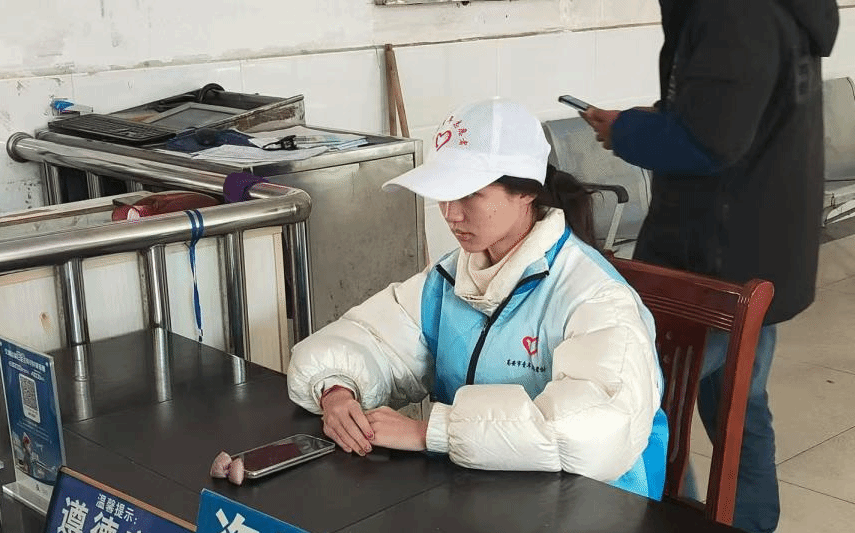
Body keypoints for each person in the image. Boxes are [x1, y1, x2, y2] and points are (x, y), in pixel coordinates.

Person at [273, 98, 669, 499]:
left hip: (595, 513)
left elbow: (594, 431)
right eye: (444, 194)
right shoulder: (449, 279)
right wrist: (336, 390)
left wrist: (431, 432)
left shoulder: (595, 298)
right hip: (484, 496)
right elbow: (367, 339)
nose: (450, 214)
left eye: (469, 194)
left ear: (525, 192)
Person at [581, 0, 840, 533]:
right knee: (739, 401)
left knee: (649, 400)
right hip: (760, 250)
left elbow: (711, 140)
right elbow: (735, 113)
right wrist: (663, 117)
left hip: (712, 259)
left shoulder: (732, 10)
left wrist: (626, 131)